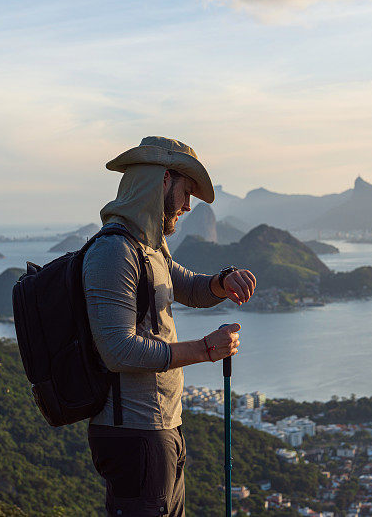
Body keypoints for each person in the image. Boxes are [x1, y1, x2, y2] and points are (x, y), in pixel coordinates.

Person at [82, 136, 257, 516]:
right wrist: (204, 350)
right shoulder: (115, 251)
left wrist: (222, 281)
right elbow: (118, 349)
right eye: (186, 191)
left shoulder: (150, 248)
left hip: (161, 427)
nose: (188, 205)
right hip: (133, 434)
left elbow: (190, 287)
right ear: (162, 181)